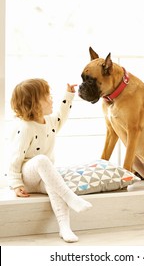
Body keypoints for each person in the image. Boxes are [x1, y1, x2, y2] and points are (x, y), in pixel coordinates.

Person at [8, 78, 92, 243]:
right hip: (28, 176)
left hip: (43, 177)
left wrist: (68, 95)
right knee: (41, 160)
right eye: (47, 96)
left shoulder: (50, 121)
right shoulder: (25, 127)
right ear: (34, 103)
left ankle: (65, 228)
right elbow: (15, 157)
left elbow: (61, 116)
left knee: (55, 187)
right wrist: (17, 184)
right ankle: (70, 197)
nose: (51, 98)